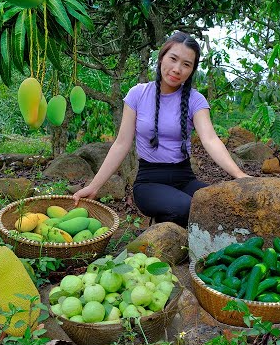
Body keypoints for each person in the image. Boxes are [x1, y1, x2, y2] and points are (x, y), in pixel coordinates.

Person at [72, 31, 250, 227]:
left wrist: (239, 175)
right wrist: (94, 186)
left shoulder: (195, 99)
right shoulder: (137, 94)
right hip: (149, 182)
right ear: (161, 57)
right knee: (187, 207)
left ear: (192, 70)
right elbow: (121, 144)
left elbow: (210, 139)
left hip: (185, 179)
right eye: (173, 59)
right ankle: (162, 222)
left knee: (217, 205)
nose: (177, 69)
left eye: (186, 64)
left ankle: (165, 224)